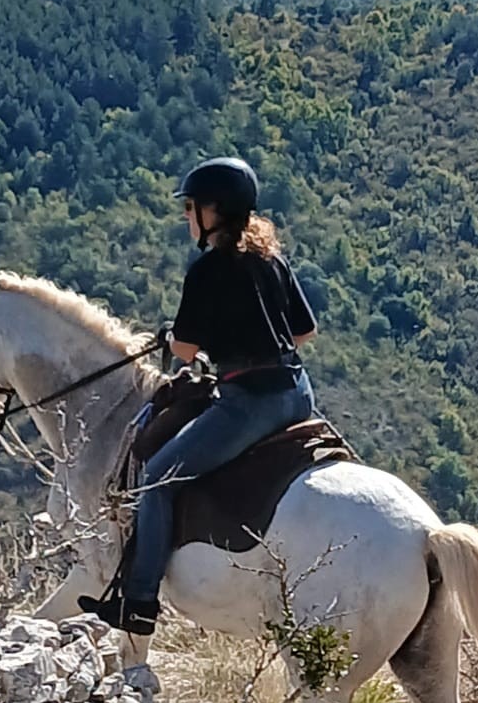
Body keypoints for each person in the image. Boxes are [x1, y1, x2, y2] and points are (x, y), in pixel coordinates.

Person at [81, 157, 318, 635]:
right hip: (297, 393)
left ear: (215, 211)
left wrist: (178, 340)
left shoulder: (208, 270)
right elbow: (304, 331)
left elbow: (186, 350)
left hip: (249, 402)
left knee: (155, 477)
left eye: (191, 207)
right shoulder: (272, 259)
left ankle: (140, 602)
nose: (187, 217)